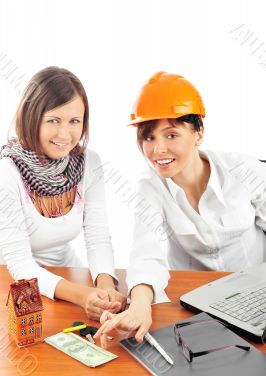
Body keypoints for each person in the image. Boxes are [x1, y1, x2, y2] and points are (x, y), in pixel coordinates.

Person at [94, 71, 266, 347]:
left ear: (198, 134)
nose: (158, 149)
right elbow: (145, 254)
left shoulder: (245, 170)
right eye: (148, 138)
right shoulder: (150, 187)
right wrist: (139, 306)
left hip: (257, 297)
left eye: (171, 134)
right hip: (199, 306)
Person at [0, 66, 126, 320]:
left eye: (74, 121)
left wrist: (104, 287)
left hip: (66, 274)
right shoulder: (6, 172)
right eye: (53, 120)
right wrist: (83, 296)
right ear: (31, 118)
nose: (64, 134)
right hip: (12, 282)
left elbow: (98, 236)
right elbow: (20, 264)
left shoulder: (89, 162)